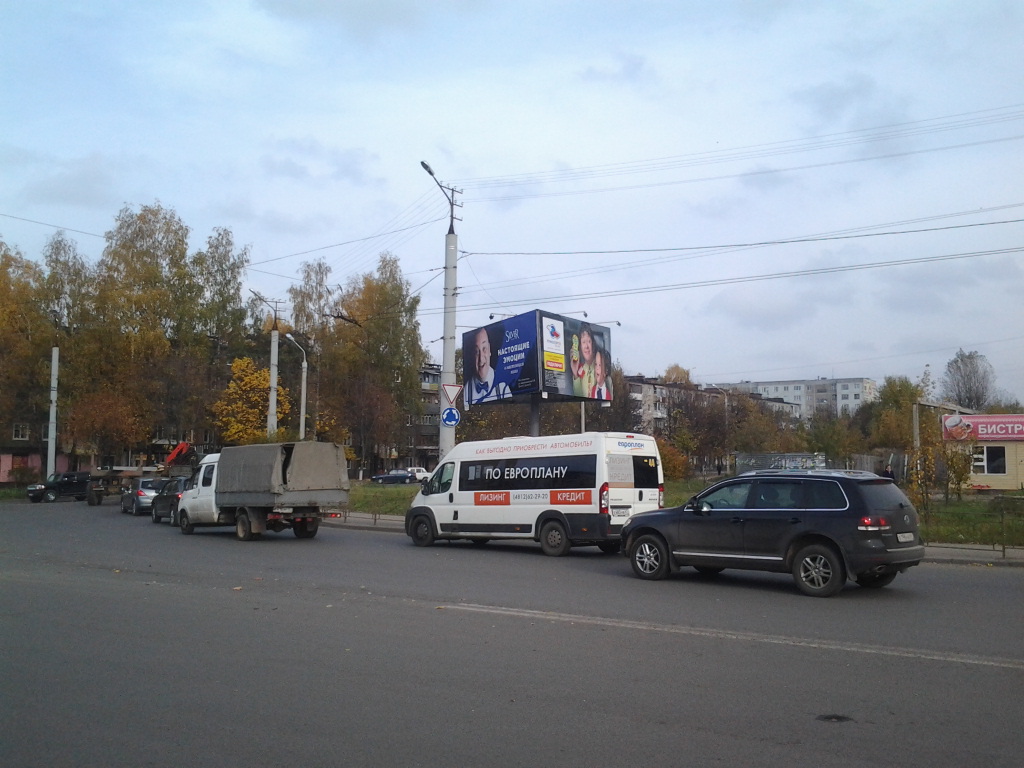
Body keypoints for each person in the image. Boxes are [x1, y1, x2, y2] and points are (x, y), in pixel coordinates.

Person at [466, 327, 510, 404]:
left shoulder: (503, 388)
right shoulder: (466, 390)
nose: (481, 359)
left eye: (484, 349)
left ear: (490, 350)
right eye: (476, 352)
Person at [572, 324, 597, 397]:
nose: (587, 346)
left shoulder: (600, 366)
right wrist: (575, 375)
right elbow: (578, 396)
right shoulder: (580, 369)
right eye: (583, 342)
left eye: (589, 341)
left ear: (593, 344)